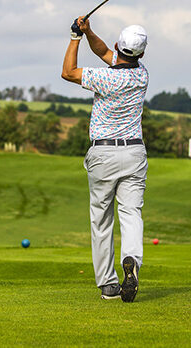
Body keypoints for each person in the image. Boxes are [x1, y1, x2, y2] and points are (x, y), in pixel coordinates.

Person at [61, 16, 149, 302]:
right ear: (141, 54)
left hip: (103, 154)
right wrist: (88, 32)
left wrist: (75, 37)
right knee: (131, 212)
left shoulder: (106, 77)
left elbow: (68, 72)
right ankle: (132, 259)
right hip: (134, 152)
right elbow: (103, 53)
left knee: (101, 219)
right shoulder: (142, 75)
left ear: (118, 45)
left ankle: (109, 285)